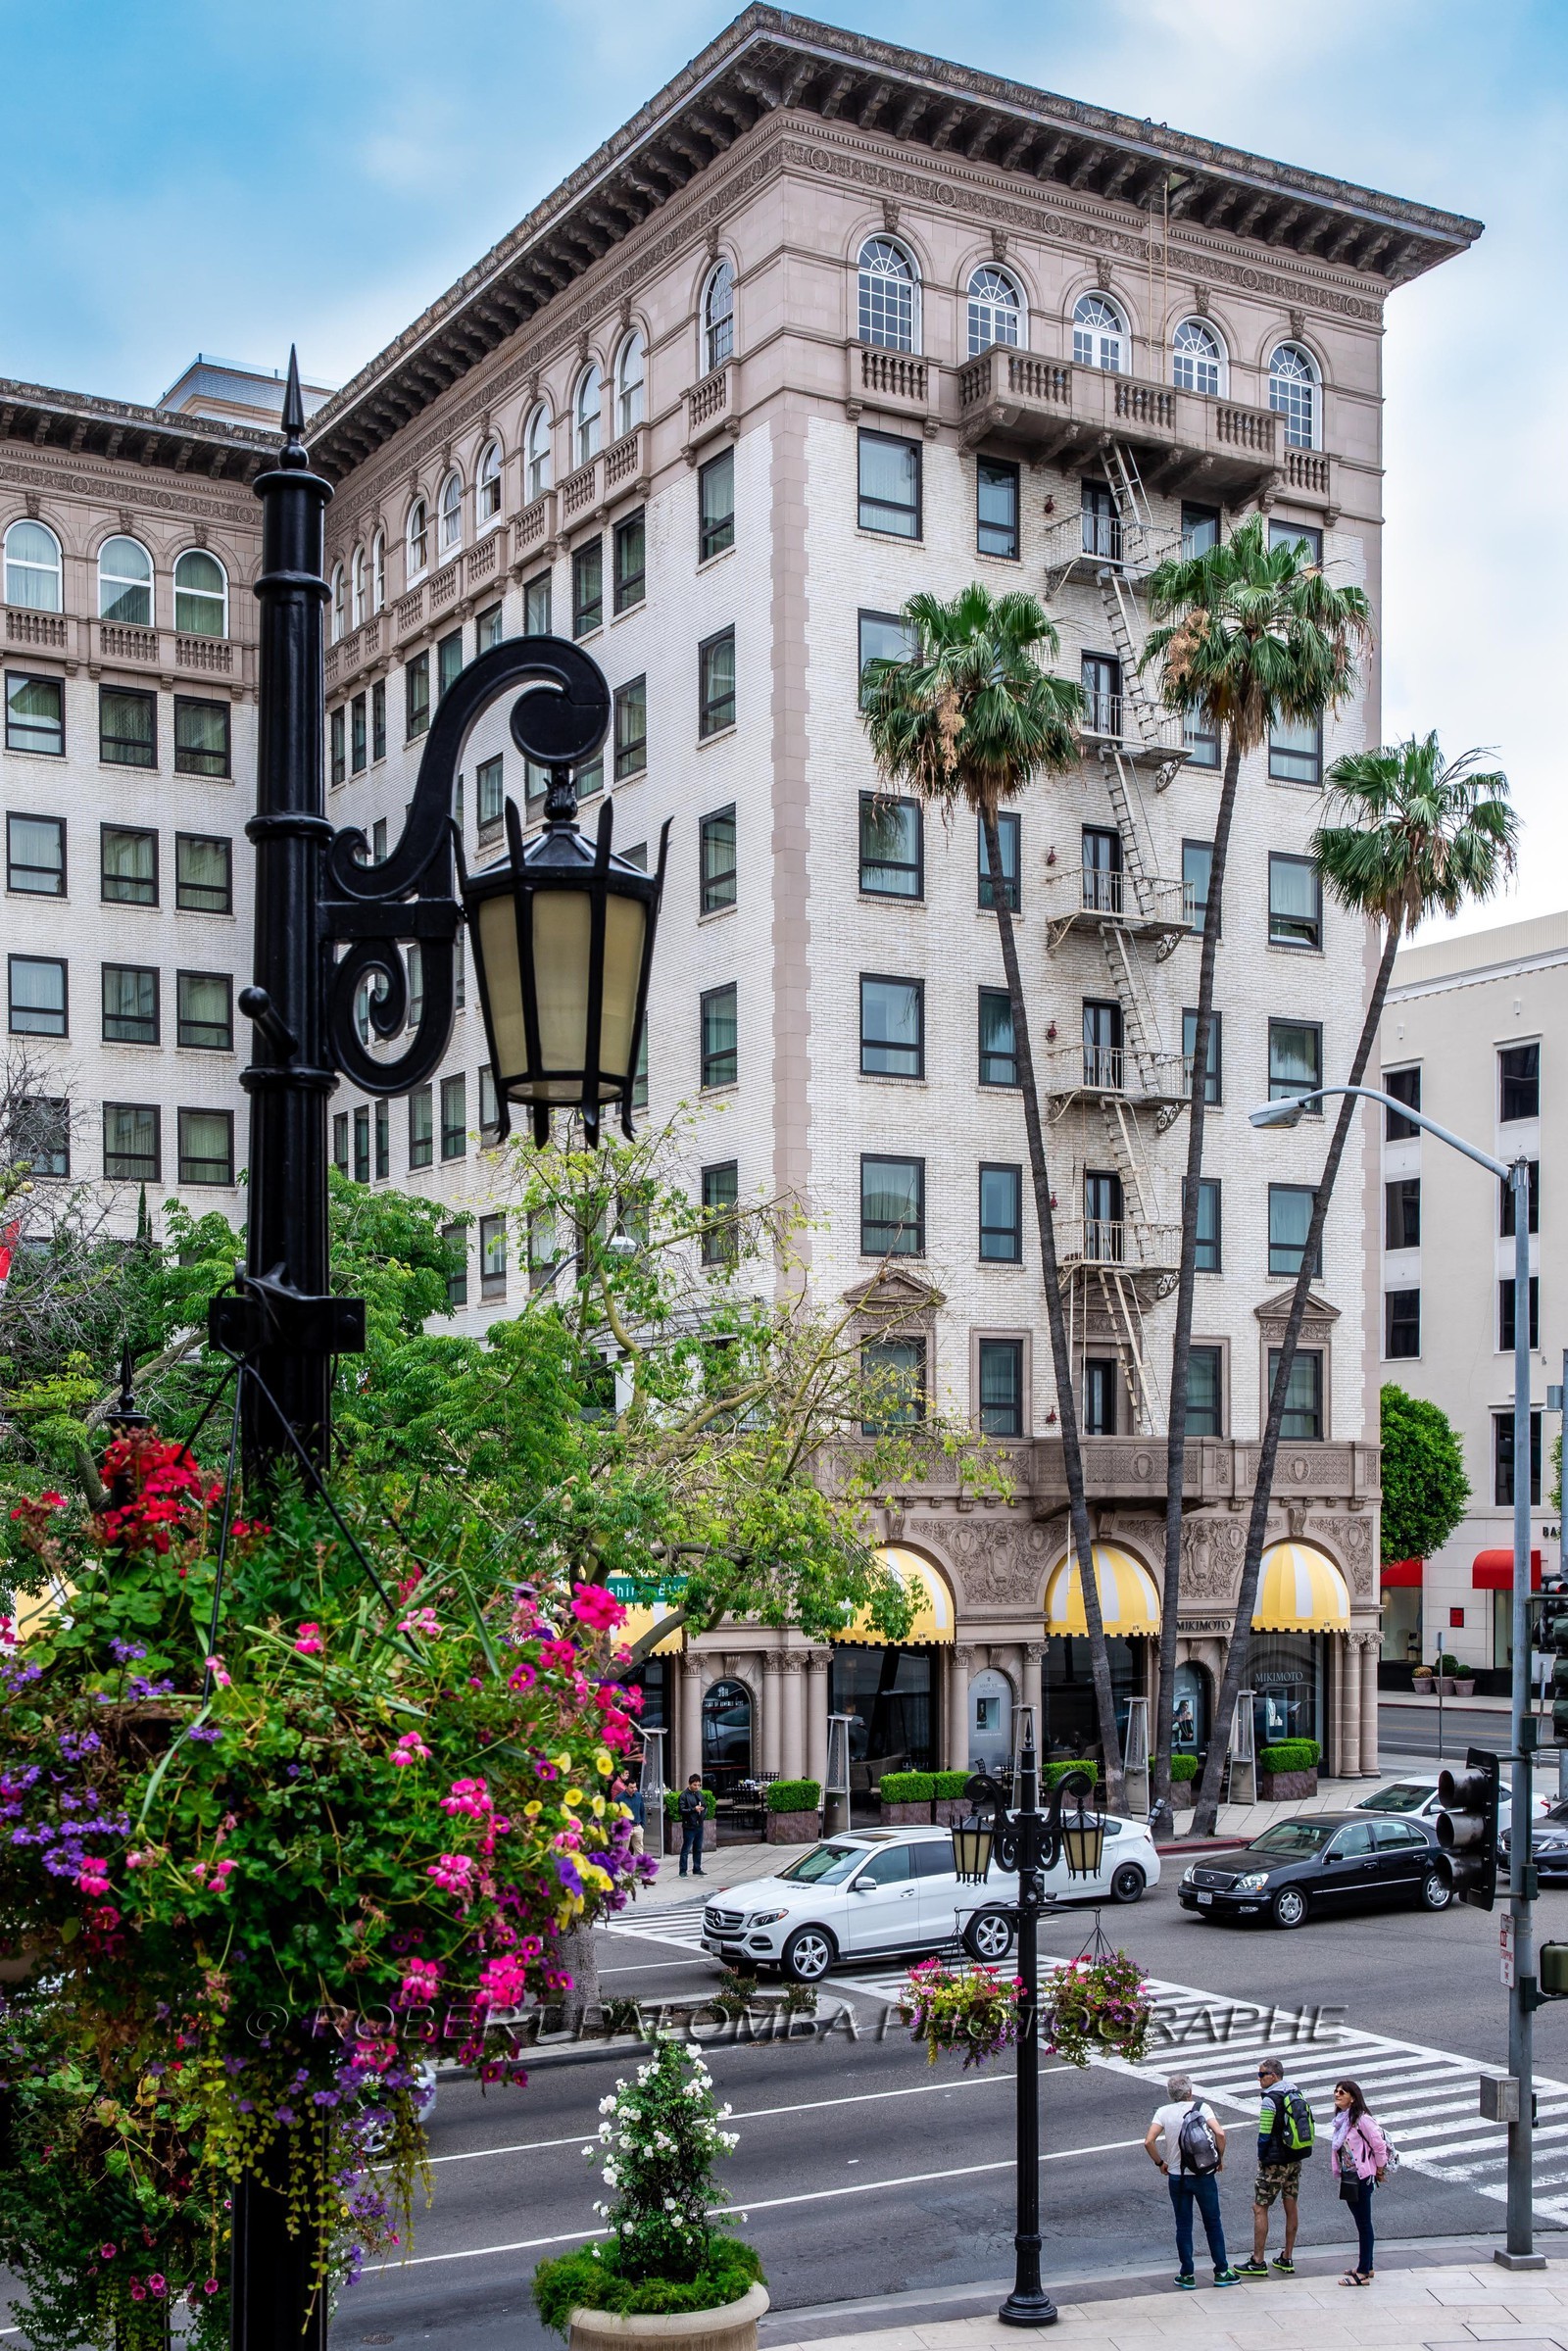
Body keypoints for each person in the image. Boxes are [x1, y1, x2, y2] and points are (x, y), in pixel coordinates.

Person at [1144, 2071, 1239, 2288]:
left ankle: (1187, 2274)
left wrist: (1161, 2163)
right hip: (1204, 2175)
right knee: (1213, 2223)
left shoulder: (1163, 2112)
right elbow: (1220, 2134)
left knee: (1183, 2225)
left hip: (1177, 2177)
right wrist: (1219, 2158)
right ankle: (1222, 2271)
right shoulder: (1202, 2108)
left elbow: (1149, 2141)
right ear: (1190, 2092)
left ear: (1170, 2094)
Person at [1239, 2056, 1311, 2277]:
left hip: (1274, 2162)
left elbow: (1264, 2133)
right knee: (1291, 2204)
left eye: (1262, 2075)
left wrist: (1262, 2158)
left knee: (1260, 2207)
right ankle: (1287, 2257)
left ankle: (1258, 2260)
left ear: (1274, 2075)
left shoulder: (1271, 2098)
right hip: (1294, 2158)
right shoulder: (1295, 2092)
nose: (1259, 2078)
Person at [1331, 2078, 1388, 2285]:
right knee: (1360, 2221)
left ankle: (1363, 2273)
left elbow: (1379, 2146)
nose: (1337, 2095)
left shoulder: (1362, 2120)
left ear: (1353, 2098)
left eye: (1342, 2092)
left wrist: (1379, 2169)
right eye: (1336, 2091)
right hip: (1350, 2176)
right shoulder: (1343, 2119)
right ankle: (1367, 2265)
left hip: (1363, 2177)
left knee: (1364, 2223)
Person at [677, 1774, 708, 1877]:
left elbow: (705, 1805)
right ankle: (682, 1871)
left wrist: (702, 1815)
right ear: (690, 1784)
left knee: (698, 1848)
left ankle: (697, 1868)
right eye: (695, 1785)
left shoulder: (699, 1794)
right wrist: (693, 1809)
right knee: (686, 1849)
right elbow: (681, 1810)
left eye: (698, 1785)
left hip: (699, 1824)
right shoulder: (684, 1795)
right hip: (689, 1825)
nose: (697, 1787)